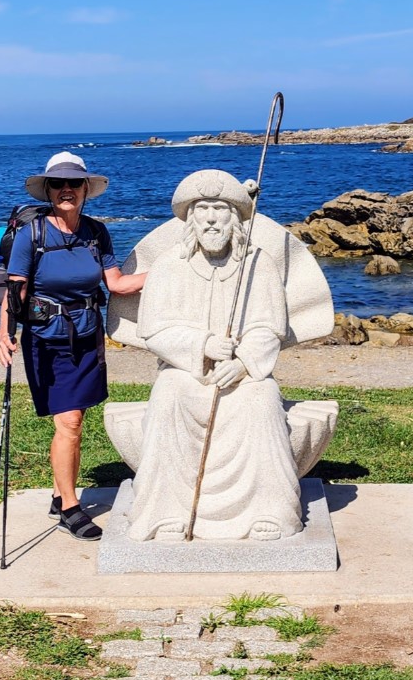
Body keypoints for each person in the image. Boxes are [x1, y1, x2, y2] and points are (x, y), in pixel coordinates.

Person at [124, 169, 301, 542]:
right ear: (190, 217)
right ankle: (165, 512)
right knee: (169, 396)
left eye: (220, 209)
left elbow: (270, 327)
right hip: (184, 372)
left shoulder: (258, 264)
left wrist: (242, 363)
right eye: (202, 209)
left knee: (263, 399)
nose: (210, 218)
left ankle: (269, 510)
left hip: (242, 374)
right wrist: (200, 344)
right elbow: (154, 329)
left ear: (234, 217)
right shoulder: (170, 266)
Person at [0, 151, 145, 541]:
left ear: (85, 190)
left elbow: (116, 284)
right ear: (48, 190)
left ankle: (61, 494)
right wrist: (4, 333)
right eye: (59, 184)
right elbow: (17, 290)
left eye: (74, 184)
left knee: (76, 422)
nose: (67, 190)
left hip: (87, 336)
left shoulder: (96, 233)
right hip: (47, 339)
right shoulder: (33, 235)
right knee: (71, 423)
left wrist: (177, 266)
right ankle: (70, 508)